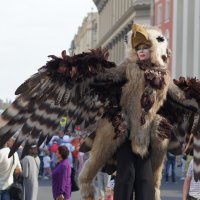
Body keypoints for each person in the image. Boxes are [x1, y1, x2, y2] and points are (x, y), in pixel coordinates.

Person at [114, 36, 155, 200]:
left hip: (146, 133)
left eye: (145, 47)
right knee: (125, 177)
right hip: (126, 131)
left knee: (145, 182)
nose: (142, 51)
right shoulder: (125, 69)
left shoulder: (160, 72)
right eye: (138, 48)